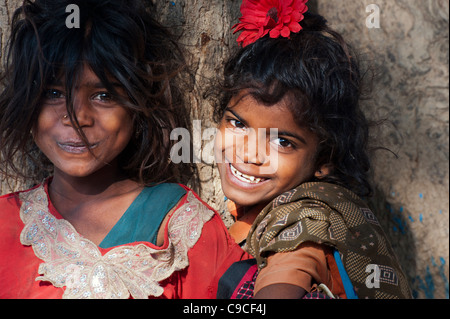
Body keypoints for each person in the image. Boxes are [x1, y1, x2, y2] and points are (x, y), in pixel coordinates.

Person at [0, 0, 247, 299]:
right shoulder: (6, 223)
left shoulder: (182, 228)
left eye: (103, 95)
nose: (77, 117)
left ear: (137, 107)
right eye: (54, 93)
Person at [214, 0, 411, 299]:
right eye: (238, 123)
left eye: (282, 142)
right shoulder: (288, 208)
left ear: (324, 160)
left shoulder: (302, 226)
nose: (249, 153)